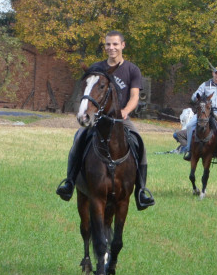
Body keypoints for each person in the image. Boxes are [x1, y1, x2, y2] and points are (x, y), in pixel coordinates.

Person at [56, 31, 154, 209]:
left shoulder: (132, 70)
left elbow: (134, 97)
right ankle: (70, 182)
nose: (111, 48)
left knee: (139, 143)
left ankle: (141, 191)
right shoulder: (96, 68)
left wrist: (125, 111)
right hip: (97, 119)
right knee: (79, 137)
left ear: (123, 45)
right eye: (108, 44)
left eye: (115, 44)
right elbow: (88, 91)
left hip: (120, 120)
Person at [183, 66, 217, 161]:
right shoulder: (205, 84)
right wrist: (196, 98)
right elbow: (195, 95)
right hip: (205, 111)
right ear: (213, 74)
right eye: (215, 73)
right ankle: (189, 150)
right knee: (190, 125)